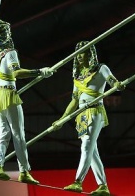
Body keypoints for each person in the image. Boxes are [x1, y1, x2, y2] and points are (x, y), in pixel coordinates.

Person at [0, 23, 55, 184]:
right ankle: (24, 171)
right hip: (8, 94)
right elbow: (17, 72)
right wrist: (39, 72)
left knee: (3, 134)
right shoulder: (10, 53)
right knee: (18, 135)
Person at [52, 41, 124, 196]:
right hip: (81, 115)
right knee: (92, 151)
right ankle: (103, 185)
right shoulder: (78, 76)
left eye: (82, 52)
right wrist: (62, 119)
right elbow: (74, 101)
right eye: (77, 53)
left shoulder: (100, 68)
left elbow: (112, 80)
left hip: (95, 111)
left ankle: (78, 181)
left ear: (90, 53)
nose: (79, 56)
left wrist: (117, 85)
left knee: (86, 147)